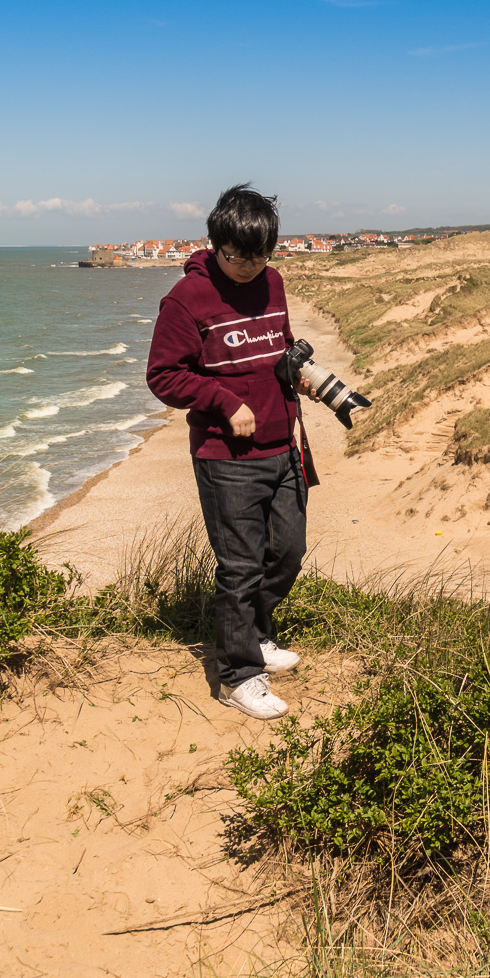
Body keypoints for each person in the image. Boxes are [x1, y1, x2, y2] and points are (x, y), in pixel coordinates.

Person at [146, 184, 315, 720]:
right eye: (235, 254)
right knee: (239, 566)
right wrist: (221, 399)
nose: (246, 266)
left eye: (258, 255)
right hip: (226, 457)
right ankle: (237, 675)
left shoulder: (274, 282)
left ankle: (256, 634)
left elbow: (280, 346)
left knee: (288, 551)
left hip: (283, 444)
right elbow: (164, 375)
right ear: (216, 243)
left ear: (272, 249)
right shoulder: (186, 300)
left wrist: (300, 374)